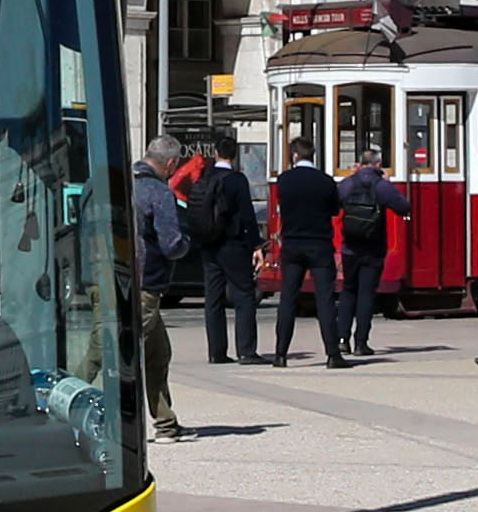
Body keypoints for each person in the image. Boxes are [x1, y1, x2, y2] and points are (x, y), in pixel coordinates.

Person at [183, 138, 260, 365]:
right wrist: (255, 244)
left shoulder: (205, 177)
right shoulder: (237, 180)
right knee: (244, 295)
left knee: (213, 298)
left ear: (216, 153)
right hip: (232, 244)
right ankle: (246, 351)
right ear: (235, 155)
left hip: (208, 244)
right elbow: (247, 215)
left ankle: (216, 352)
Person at [266, 143, 339, 363]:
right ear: (313, 155)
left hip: (293, 244)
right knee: (325, 300)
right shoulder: (325, 181)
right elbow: (335, 209)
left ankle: (280, 354)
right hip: (319, 244)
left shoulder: (285, 180)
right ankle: (333, 354)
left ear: (295, 155)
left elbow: (283, 206)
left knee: (288, 299)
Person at [129, 145, 189, 415]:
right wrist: (187, 243)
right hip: (147, 283)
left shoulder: (122, 183)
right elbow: (171, 243)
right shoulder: (159, 192)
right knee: (119, 351)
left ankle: (166, 420)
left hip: (119, 277)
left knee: (158, 352)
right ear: (172, 163)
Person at [328, 148, 400, 362]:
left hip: (350, 246)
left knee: (348, 291)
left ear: (360, 163)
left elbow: (333, 206)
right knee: (367, 294)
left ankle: (342, 340)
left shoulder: (349, 183)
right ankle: (361, 343)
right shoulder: (381, 185)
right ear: (378, 164)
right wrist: (388, 184)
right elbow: (403, 206)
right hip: (374, 246)